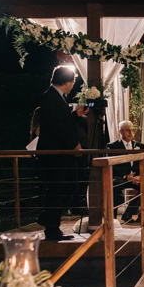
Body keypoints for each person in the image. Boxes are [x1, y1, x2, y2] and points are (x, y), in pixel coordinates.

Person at [36, 66, 87, 241]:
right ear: (66, 81)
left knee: (71, 185)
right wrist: (74, 145)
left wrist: (75, 115)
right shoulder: (50, 97)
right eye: (72, 81)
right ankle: (51, 228)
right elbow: (57, 127)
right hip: (55, 154)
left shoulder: (58, 97)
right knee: (57, 189)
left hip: (62, 153)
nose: (73, 85)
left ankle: (48, 217)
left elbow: (62, 121)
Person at [107, 120, 144, 224]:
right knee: (115, 184)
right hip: (120, 177)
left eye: (132, 130)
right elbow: (113, 165)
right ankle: (113, 218)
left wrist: (139, 176)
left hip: (135, 178)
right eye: (128, 130)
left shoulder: (140, 146)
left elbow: (142, 163)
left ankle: (129, 213)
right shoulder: (112, 146)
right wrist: (125, 176)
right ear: (121, 131)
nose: (131, 133)